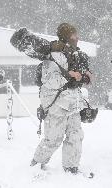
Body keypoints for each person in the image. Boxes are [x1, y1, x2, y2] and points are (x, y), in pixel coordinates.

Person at [30, 23, 92, 174]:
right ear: (65, 36)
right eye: (73, 34)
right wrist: (70, 75)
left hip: (73, 102)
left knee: (75, 136)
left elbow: (84, 77)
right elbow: (49, 81)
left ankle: (71, 168)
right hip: (56, 103)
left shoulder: (76, 54)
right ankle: (37, 164)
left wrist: (85, 76)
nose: (77, 37)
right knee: (53, 139)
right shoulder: (53, 55)